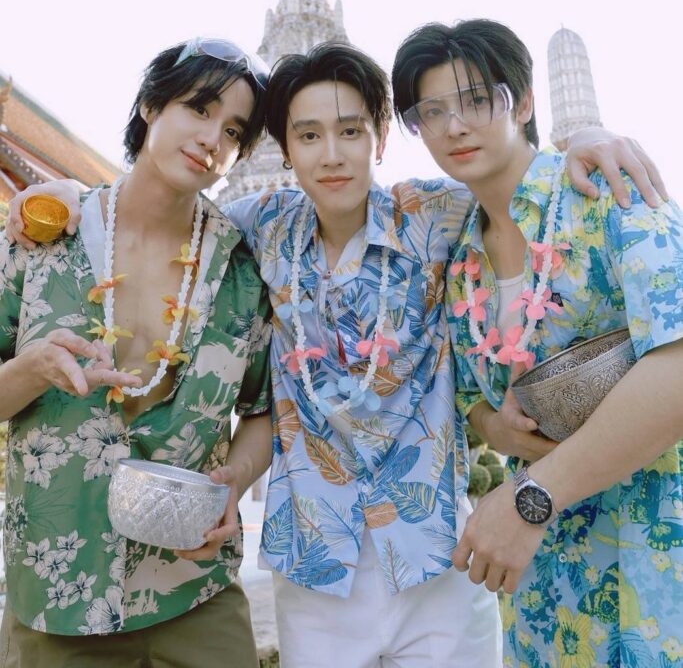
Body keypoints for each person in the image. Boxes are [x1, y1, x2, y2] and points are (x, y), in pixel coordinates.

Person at [8, 41, 666, 668]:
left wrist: (584, 136)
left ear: (379, 140)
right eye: (308, 135)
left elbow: (511, 176)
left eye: (351, 131)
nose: (331, 155)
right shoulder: (260, 226)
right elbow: (162, 207)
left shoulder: (436, 214)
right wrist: (70, 198)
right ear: (285, 149)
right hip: (315, 565)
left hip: (435, 556)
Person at [391, 19, 683, 668]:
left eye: (476, 100)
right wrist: (493, 425)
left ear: (522, 103)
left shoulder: (608, 192)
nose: (454, 126)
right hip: (544, 586)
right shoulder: (455, 254)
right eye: (430, 112)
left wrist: (533, 498)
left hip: (656, 553)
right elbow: (466, 395)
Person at [0, 39, 273, 668]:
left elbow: (262, 410)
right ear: (151, 105)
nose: (213, 139)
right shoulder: (46, 234)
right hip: (59, 591)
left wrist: (235, 483)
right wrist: (32, 369)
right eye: (199, 108)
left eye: (234, 130)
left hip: (194, 589)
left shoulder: (241, 270)